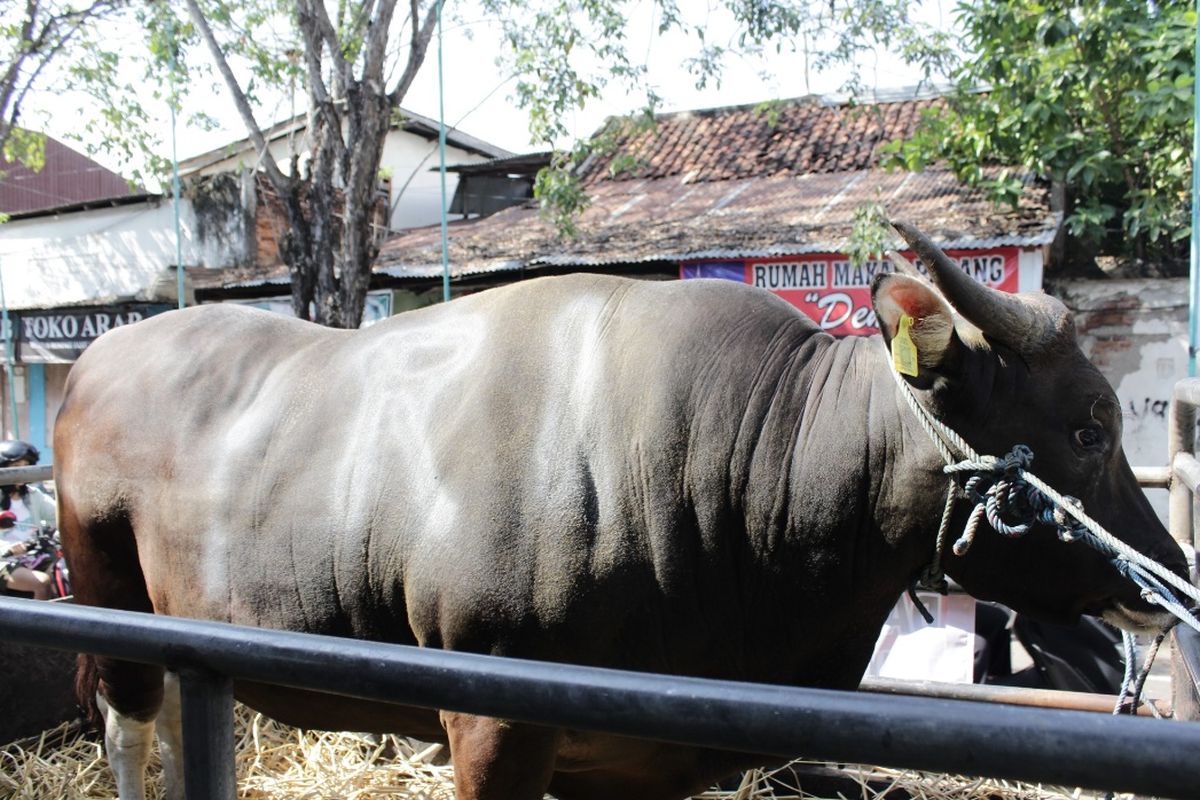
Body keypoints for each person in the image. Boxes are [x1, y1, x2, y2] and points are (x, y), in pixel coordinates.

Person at [0, 440, 58, 600]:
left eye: (26, 466)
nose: (21, 471)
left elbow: (56, 515)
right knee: (41, 582)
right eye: (15, 467)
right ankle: (39, 623)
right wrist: (8, 548)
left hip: (34, 554)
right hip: (4, 559)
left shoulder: (33, 495)